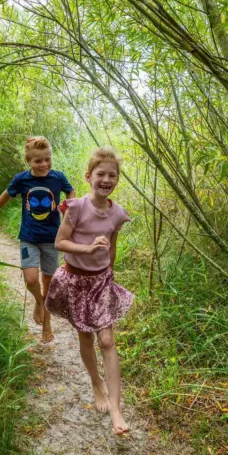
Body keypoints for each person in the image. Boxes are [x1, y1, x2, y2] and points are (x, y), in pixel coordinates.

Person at [46, 147, 133, 435]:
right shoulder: (77, 207)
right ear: (88, 177)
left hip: (101, 282)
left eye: (113, 175)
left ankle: (117, 412)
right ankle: (96, 382)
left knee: (107, 340)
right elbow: (60, 243)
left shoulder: (118, 213)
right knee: (85, 336)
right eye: (101, 174)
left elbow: (112, 247)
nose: (107, 179)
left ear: (117, 180)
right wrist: (87, 248)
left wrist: (109, 269)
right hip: (75, 280)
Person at [0, 136, 75, 342]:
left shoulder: (58, 178)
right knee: (30, 279)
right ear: (28, 161)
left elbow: (70, 191)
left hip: (52, 239)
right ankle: (39, 302)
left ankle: (47, 322)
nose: (44, 164)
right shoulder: (22, 180)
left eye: (47, 159)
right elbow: (6, 195)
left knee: (49, 281)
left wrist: (70, 209)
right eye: (38, 161)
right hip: (29, 237)